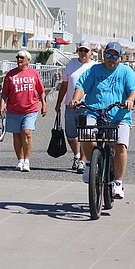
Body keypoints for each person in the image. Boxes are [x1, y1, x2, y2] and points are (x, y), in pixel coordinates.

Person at [70, 41, 135, 199]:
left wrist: (130, 100)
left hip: (119, 115)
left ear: (120, 58)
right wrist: (75, 99)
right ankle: (90, 164)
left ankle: (118, 183)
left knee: (120, 146)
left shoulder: (126, 71)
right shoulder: (94, 70)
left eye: (115, 56)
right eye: (108, 55)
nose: (111, 58)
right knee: (85, 133)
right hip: (94, 111)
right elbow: (81, 86)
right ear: (104, 55)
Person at [0, 50, 47, 172]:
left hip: (30, 109)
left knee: (26, 132)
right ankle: (20, 160)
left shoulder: (34, 73)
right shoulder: (10, 74)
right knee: (16, 135)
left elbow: (41, 91)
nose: (19, 59)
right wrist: (2, 105)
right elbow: (5, 93)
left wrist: (44, 104)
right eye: (17, 57)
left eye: (21, 57)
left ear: (28, 60)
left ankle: (27, 160)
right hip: (14, 109)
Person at [55, 40, 95, 174]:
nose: (83, 53)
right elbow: (64, 85)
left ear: (90, 52)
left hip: (87, 106)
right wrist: (58, 103)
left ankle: (82, 161)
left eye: (86, 50)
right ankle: (76, 155)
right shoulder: (71, 64)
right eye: (81, 50)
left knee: (85, 135)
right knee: (71, 135)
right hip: (70, 105)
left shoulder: (94, 67)